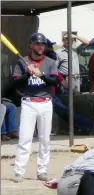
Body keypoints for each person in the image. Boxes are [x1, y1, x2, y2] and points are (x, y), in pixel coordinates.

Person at [11, 33, 59, 182]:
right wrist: (27, 73)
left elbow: (54, 81)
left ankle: (42, 170)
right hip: (29, 103)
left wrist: (42, 75)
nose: (41, 47)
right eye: (37, 44)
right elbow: (15, 83)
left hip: (45, 103)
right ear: (31, 45)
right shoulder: (22, 62)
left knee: (45, 139)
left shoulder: (50, 62)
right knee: (25, 138)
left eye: (43, 44)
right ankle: (19, 171)